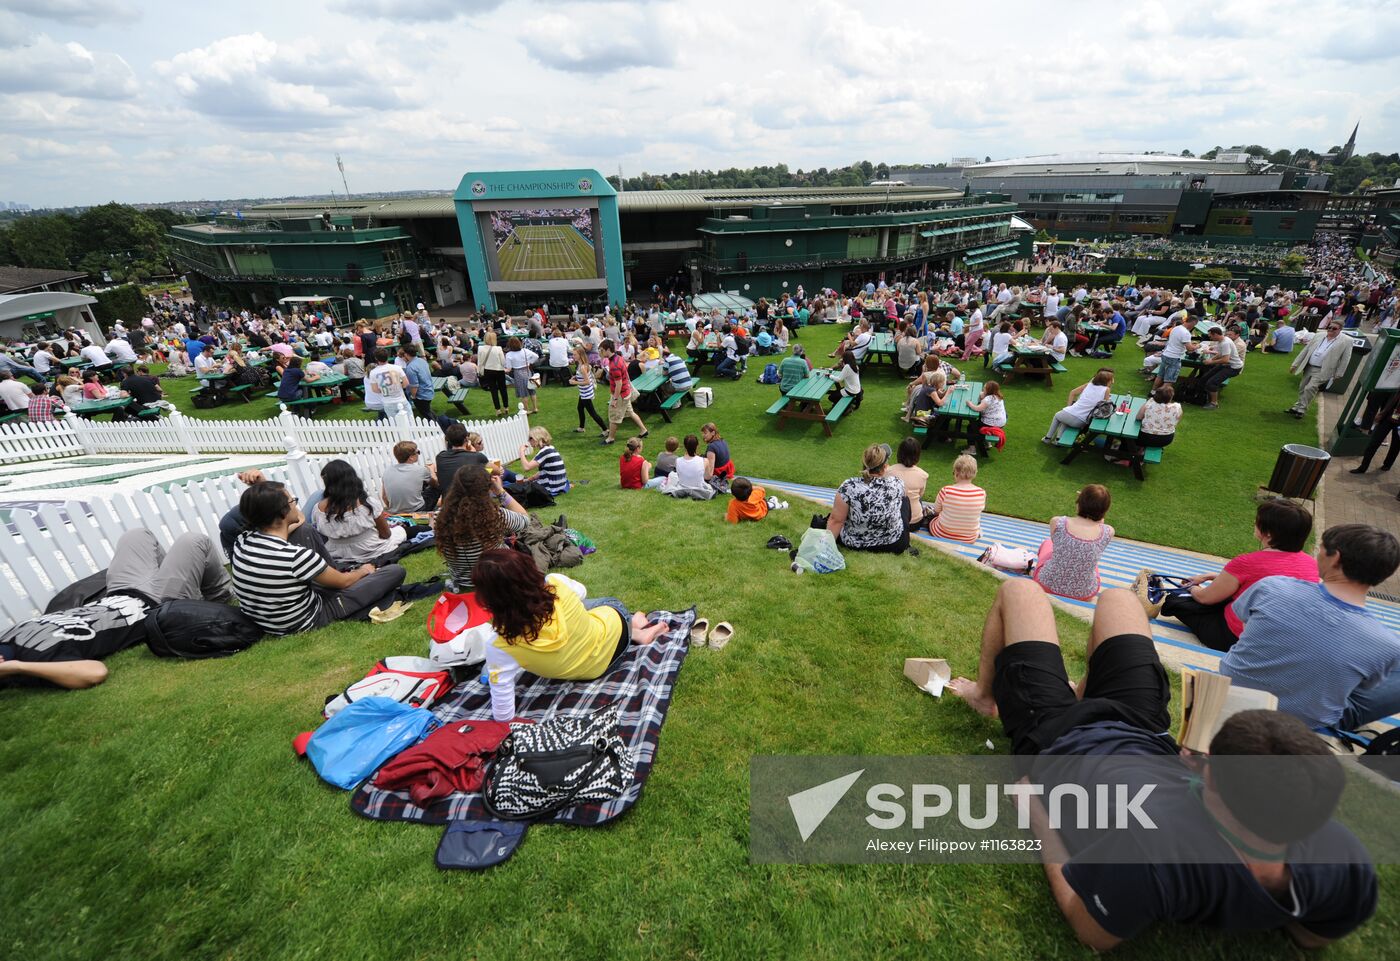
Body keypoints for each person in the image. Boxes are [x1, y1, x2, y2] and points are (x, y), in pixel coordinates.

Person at [947, 581, 1376, 951]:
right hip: (1142, 729)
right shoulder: (1342, 862)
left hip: (1058, 739)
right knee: (1120, 600)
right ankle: (1084, 690)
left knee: (1020, 591)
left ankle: (986, 698)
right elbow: (1311, 935)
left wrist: (1038, 816)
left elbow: (1090, 930)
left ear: (1210, 782)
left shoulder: (1152, 853)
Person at [0, 528, 233, 691]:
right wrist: (16, 667)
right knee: (193, 541)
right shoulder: (39, 660)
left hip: (119, 592)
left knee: (136, 535)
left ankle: (181, 581)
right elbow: (95, 672)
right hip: (159, 605)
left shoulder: (6, 637)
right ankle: (218, 599)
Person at [1222, 524, 1400, 730]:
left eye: (1321, 548)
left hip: (1230, 693)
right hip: (1303, 724)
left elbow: (1243, 623)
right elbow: (1363, 689)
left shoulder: (1271, 587)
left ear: (1335, 558)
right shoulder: (1387, 645)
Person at [475, 548, 671, 721]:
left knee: (573, 608)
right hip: (615, 640)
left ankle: (635, 631)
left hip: (591, 670)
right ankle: (632, 627)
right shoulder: (555, 583)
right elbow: (582, 592)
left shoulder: (499, 645)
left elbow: (503, 715)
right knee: (586, 603)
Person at [233, 482, 405, 635]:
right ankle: (338, 583)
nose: (295, 505)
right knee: (395, 571)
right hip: (307, 619)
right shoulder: (295, 557)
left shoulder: (243, 541)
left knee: (305, 530)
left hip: (267, 621)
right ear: (282, 512)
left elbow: (299, 520)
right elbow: (344, 582)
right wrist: (364, 570)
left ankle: (328, 576)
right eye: (292, 501)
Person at [1150, 499, 1319, 652]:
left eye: (1258, 521)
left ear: (1268, 533)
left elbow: (1205, 598)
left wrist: (1191, 586)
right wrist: (1210, 576)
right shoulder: (1312, 565)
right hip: (1282, 642)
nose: (1254, 523)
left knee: (1175, 602)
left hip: (1236, 639)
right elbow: (1263, 580)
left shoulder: (1248, 562)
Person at [435, 465, 529, 593]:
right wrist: (500, 491)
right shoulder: (495, 515)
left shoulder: (440, 517)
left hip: (462, 580)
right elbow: (525, 519)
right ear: (487, 487)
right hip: (495, 577)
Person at [311, 460, 408, 565]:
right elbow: (386, 534)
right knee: (400, 531)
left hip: (337, 554)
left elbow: (322, 534)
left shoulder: (318, 509)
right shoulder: (367, 503)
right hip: (371, 550)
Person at [826, 444, 912, 554]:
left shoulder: (849, 486)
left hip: (855, 543)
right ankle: (905, 538)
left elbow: (836, 520)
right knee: (905, 501)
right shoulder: (897, 484)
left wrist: (825, 546)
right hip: (893, 544)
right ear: (885, 467)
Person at [1034, 485, 1115, 600]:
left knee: (1048, 544)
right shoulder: (1108, 531)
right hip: (1084, 593)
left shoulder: (1057, 522)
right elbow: (1100, 524)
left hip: (1047, 584)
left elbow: (1055, 543)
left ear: (1079, 503)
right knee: (1091, 562)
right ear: (1105, 510)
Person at [1287, 321, 1352, 420]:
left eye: (1334, 328)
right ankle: (1297, 406)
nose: (1330, 330)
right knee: (1302, 387)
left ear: (1340, 330)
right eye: (1329, 327)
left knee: (1310, 387)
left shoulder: (1347, 341)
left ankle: (1301, 409)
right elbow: (1306, 350)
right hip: (1309, 366)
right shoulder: (1318, 335)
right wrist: (1295, 364)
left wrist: (1339, 373)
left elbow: (1346, 358)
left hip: (1323, 370)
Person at [1042, 370, 1112, 445]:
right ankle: (1058, 439)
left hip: (1068, 414)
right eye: (1111, 379)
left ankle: (1048, 438)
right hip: (1080, 422)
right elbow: (1106, 405)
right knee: (1066, 419)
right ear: (1106, 381)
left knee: (1058, 416)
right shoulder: (1106, 389)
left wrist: (1069, 407)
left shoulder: (1088, 385)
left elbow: (1073, 392)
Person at [598, 338, 647, 446]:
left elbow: (618, 384)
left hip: (620, 394)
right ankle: (644, 431)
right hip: (626, 391)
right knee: (630, 412)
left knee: (614, 416)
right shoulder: (618, 358)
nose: (600, 352)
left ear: (607, 350)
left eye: (601, 350)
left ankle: (610, 438)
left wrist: (615, 399)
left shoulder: (614, 365)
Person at [927, 454, 986, 542]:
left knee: (932, 519)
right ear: (975, 473)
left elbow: (936, 511)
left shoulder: (946, 491)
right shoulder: (981, 493)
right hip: (968, 538)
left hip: (942, 533)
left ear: (956, 472)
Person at [1114, 385, 1180, 463]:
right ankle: (1138, 450)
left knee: (1126, 435)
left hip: (1146, 438)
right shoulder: (1177, 407)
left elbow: (1138, 417)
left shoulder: (1150, 403)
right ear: (1171, 397)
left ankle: (1123, 456)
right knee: (1132, 436)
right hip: (1166, 439)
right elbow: (1176, 422)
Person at [885, 435, 931, 531]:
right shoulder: (923, 475)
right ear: (918, 455)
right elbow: (920, 495)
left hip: (892, 521)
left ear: (899, 453)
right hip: (914, 522)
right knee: (917, 498)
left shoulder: (888, 471)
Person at [381, 440, 439, 513]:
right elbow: (435, 483)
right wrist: (432, 470)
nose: (418, 454)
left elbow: (384, 497)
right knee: (436, 487)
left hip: (395, 511)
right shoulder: (420, 470)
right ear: (411, 457)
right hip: (417, 510)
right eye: (417, 452)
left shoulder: (387, 471)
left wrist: (395, 510)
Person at [436, 422, 489, 495]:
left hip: (448, 503)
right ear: (467, 439)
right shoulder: (477, 457)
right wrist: (473, 452)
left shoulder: (440, 457)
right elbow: (497, 471)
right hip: (471, 502)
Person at [515, 426, 569, 496]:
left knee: (514, 488)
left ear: (537, 438)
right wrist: (529, 479)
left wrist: (521, 452)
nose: (528, 441)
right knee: (520, 483)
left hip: (551, 488)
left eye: (530, 438)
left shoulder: (544, 451)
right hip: (560, 485)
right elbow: (545, 471)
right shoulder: (550, 448)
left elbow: (527, 467)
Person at [1195, 327, 1240, 410]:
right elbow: (1220, 354)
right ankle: (1204, 397)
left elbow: (1225, 359)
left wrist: (1211, 362)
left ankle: (1214, 403)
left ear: (1215, 334)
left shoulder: (1225, 343)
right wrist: (1211, 359)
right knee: (1204, 379)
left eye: (1210, 336)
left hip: (1233, 367)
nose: (1210, 338)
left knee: (1211, 383)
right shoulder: (1222, 340)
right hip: (1225, 365)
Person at [568, 344, 608, 434]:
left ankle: (605, 429)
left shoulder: (582, 367)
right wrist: (575, 376)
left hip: (586, 393)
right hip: (584, 392)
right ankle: (581, 427)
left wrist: (575, 382)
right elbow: (585, 376)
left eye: (575, 355)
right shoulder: (583, 364)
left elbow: (587, 382)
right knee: (580, 408)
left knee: (593, 413)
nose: (573, 356)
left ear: (580, 355)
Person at [665, 433, 715, 500]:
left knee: (672, 475)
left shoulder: (678, 460)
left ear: (685, 447)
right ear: (697, 446)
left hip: (682, 487)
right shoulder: (704, 461)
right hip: (698, 488)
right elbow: (707, 477)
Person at [503, 336, 539, 415]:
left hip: (518, 373)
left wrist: (503, 370)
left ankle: (526, 410)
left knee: (523, 393)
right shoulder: (525, 351)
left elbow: (508, 368)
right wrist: (529, 362)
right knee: (532, 390)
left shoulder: (509, 354)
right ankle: (535, 408)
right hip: (527, 371)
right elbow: (536, 356)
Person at [399, 344, 436, 420]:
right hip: (429, 390)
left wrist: (413, 396)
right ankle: (439, 425)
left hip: (421, 395)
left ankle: (439, 428)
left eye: (403, 355)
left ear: (406, 354)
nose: (402, 358)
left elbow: (414, 386)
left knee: (428, 416)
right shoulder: (422, 361)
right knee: (428, 412)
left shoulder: (411, 367)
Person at [477, 331, 510, 415]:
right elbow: (503, 362)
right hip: (499, 370)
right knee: (503, 389)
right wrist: (505, 368)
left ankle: (498, 409)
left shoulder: (480, 348)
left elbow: (480, 362)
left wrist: (479, 371)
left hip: (488, 370)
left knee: (493, 390)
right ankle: (506, 407)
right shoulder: (498, 348)